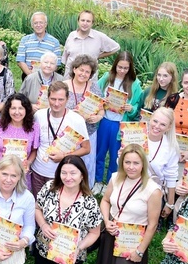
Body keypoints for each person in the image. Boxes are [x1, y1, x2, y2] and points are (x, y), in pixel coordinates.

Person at [84, 144, 162, 264]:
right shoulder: (115, 178)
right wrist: (107, 220)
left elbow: (152, 225)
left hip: (133, 240)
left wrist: (141, 251)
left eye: (136, 163)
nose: (131, 167)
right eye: (127, 162)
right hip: (112, 233)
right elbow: (105, 201)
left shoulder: (153, 190)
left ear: (143, 164)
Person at [30, 156, 102, 264]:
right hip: (45, 248)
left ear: (82, 175)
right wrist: (44, 225)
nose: (68, 177)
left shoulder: (89, 202)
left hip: (71, 254)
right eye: (64, 172)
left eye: (73, 173)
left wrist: (78, 248)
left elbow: (95, 233)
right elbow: (37, 209)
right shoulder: (49, 188)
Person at [31, 82, 90, 197]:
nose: (56, 103)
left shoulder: (77, 120)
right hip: (38, 171)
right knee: (38, 204)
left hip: (61, 174)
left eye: (61, 99)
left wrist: (64, 157)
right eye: (53, 99)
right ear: (48, 98)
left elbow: (86, 148)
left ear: (67, 99)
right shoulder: (39, 115)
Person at [94, 51, 142, 190]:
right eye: (119, 67)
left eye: (125, 68)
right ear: (115, 66)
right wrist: (102, 101)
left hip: (120, 124)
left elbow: (137, 107)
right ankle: (97, 181)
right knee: (100, 152)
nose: (122, 71)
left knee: (116, 156)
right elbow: (95, 94)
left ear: (130, 68)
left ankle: (111, 183)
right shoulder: (107, 78)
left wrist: (130, 108)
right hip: (105, 120)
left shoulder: (135, 84)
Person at [65, 55, 105, 187]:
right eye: (81, 70)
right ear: (74, 69)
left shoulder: (94, 88)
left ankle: (85, 187)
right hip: (67, 133)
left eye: (87, 72)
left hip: (88, 132)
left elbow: (101, 109)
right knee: (68, 160)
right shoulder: (64, 86)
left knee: (87, 161)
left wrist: (98, 117)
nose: (83, 74)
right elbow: (55, 106)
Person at [0, 93, 39, 186]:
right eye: (13, 108)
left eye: (21, 108)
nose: (17, 112)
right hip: (0, 171)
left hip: (21, 173)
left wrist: (29, 162)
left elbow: (34, 150)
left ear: (26, 109)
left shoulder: (34, 127)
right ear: (8, 110)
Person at [144, 108, 181, 223]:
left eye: (163, 124)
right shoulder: (136, 135)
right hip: (131, 186)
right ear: (150, 119)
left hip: (153, 191)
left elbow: (171, 176)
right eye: (155, 121)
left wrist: (170, 203)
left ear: (168, 127)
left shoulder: (170, 147)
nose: (157, 126)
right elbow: (121, 165)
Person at [61, 10, 120, 79]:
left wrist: (98, 55)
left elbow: (116, 47)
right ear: (78, 21)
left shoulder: (99, 37)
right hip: (70, 78)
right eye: (82, 20)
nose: (85, 23)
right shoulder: (71, 36)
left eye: (88, 21)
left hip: (89, 79)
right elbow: (65, 57)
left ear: (92, 23)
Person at [16, 11, 61, 80]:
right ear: (32, 25)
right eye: (35, 23)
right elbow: (20, 60)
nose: (38, 25)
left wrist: (44, 76)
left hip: (47, 78)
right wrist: (31, 76)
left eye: (41, 22)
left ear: (45, 24)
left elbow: (57, 64)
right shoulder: (25, 40)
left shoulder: (54, 42)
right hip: (28, 76)